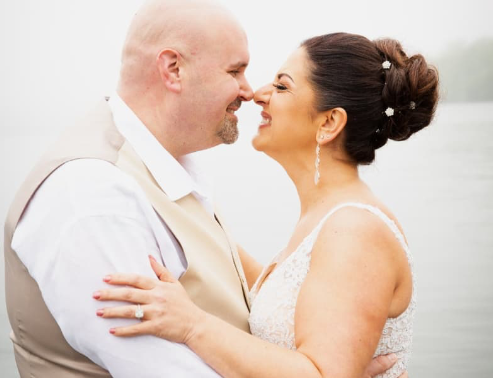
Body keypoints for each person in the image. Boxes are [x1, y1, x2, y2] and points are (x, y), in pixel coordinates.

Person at [3, 0, 400, 377]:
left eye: (280, 86)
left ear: (330, 122)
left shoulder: (173, 173)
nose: (251, 91)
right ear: (173, 69)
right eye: (234, 71)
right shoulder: (93, 195)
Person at [93, 32, 439, 377]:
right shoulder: (329, 218)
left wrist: (191, 325)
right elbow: (281, 298)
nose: (259, 94)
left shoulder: (355, 232)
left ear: (329, 123)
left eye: (283, 86)